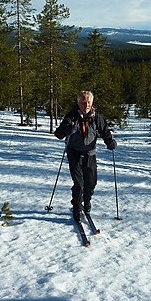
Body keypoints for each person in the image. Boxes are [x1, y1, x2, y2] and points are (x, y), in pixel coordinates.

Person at [54, 91, 117, 222]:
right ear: (78, 103)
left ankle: (86, 202)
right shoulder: (72, 116)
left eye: (88, 102)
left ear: (92, 103)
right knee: (79, 183)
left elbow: (105, 131)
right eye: (83, 102)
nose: (86, 104)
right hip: (74, 153)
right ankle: (77, 207)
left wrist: (109, 141)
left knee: (91, 183)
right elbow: (58, 133)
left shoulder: (96, 117)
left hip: (90, 154)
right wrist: (67, 130)